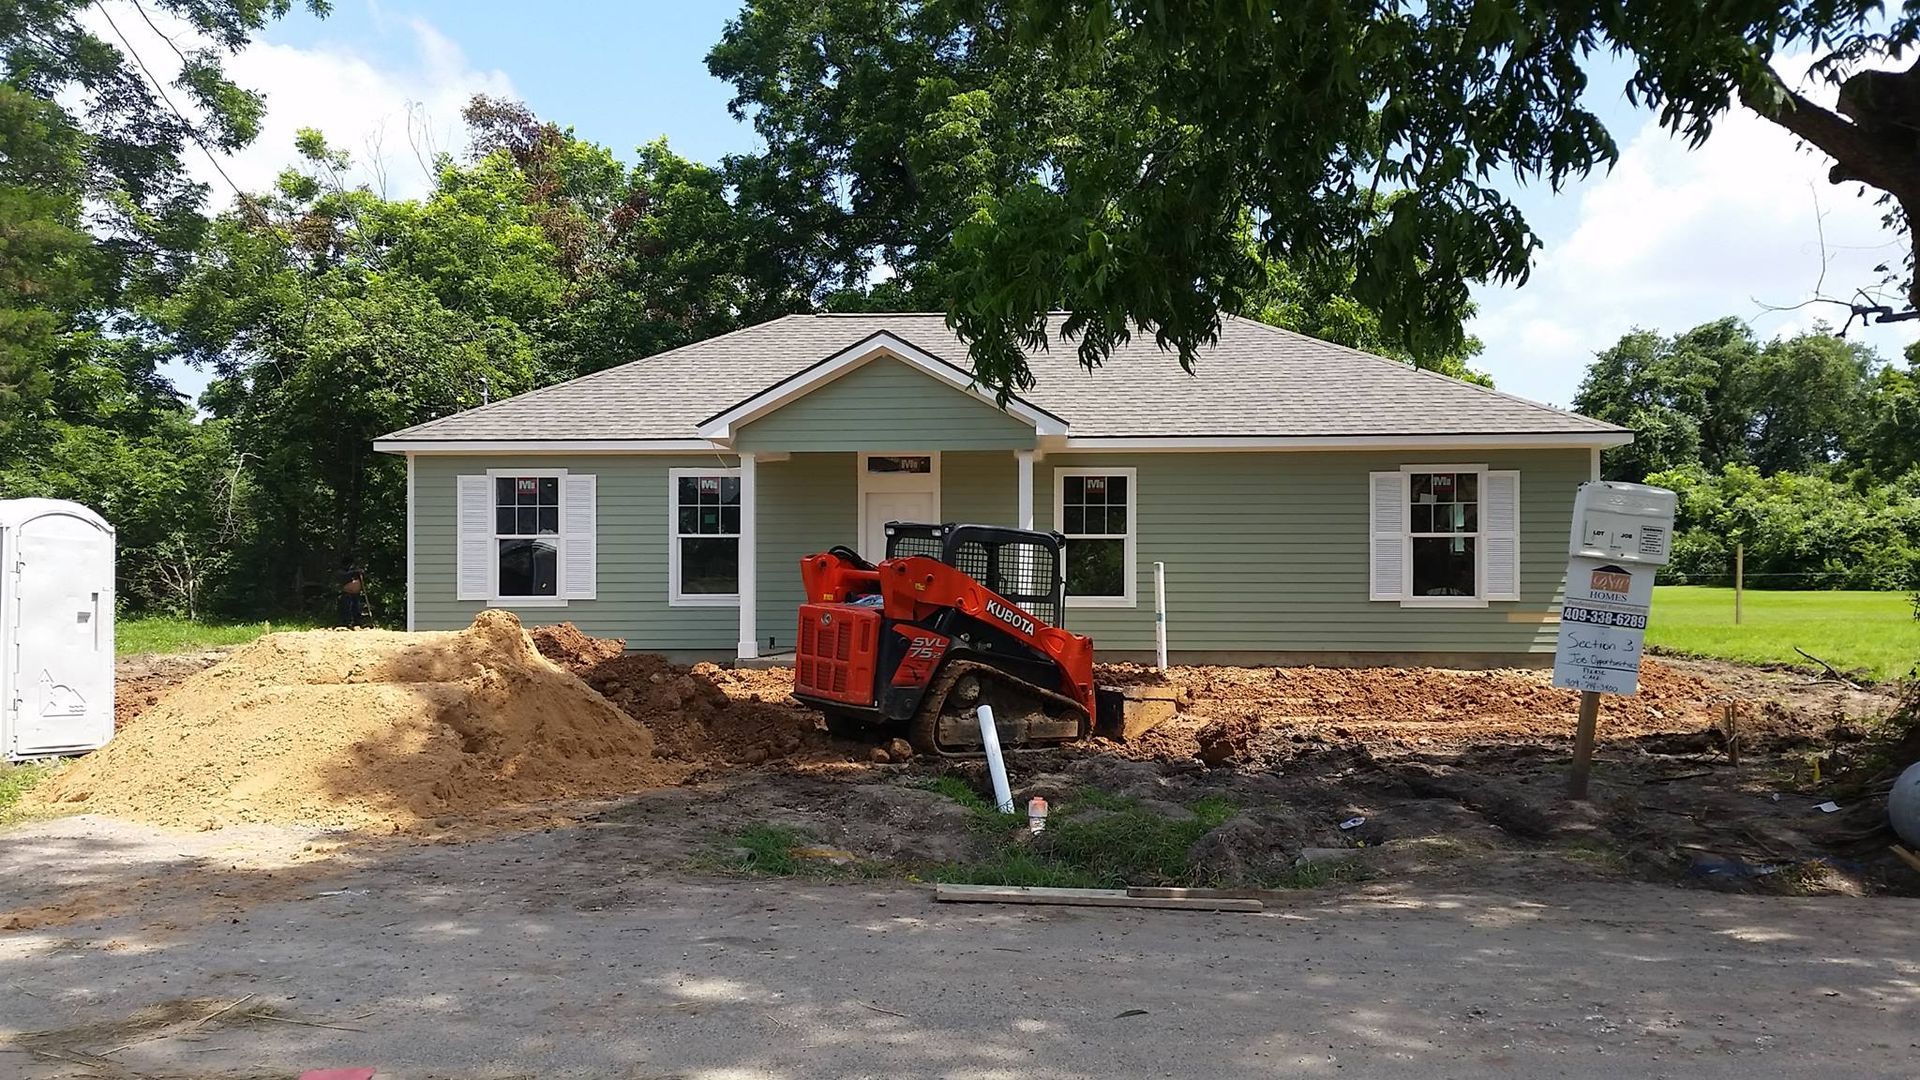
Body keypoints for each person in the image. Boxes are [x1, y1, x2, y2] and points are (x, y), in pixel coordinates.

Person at [338, 563, 367, 629]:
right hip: (347, 593)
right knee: (347, 607)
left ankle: (357, 622)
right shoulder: (342, 572)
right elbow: (343, 576)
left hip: (356, 593)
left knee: (356, 607)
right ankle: (346, 622)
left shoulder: (358, 574)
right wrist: (355, 572)